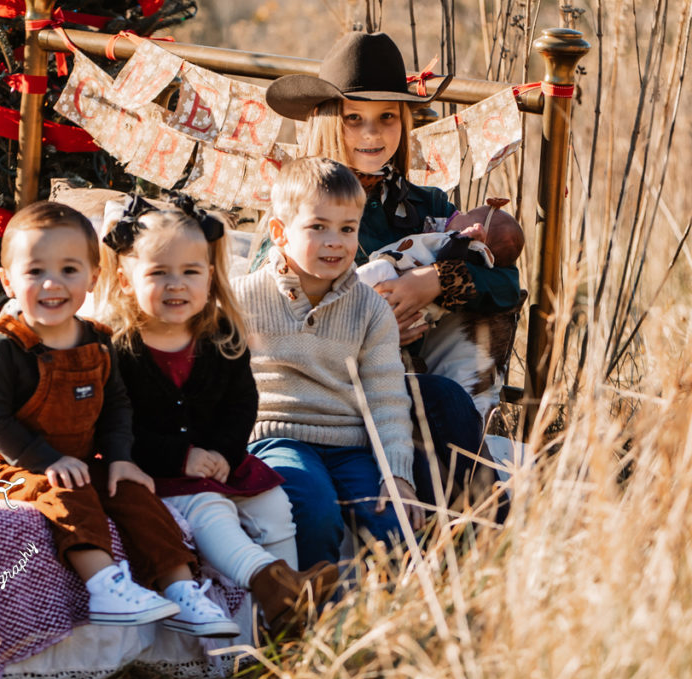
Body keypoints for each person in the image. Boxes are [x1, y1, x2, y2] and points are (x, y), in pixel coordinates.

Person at [265, 32, 519, 521]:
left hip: (409, 377)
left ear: (404, 122)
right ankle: (486, 531)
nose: (371, 134)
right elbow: (274, 313)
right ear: (325, 122)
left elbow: (507, 284)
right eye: (353, 119)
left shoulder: (428, 205)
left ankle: (461, 534)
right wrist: (370, 328)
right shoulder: (297, 207)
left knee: (436, 401)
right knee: (439, 402)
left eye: (387, 117)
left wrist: (435, 281)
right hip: (333, 384)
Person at [0, 201, 239, 637]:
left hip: (79, 457)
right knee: (69, 493)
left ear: (92, 277)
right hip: (6, 465)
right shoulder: (3, 348)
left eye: (69, 270)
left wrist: (120, 458)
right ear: (8, 280)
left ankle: (181, 589)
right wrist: (45, 460)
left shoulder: (97, 342)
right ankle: (104, 585)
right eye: (35, 272)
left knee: (134, 493)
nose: (52, 284)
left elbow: (116, 407)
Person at [99, 193, 340, 636]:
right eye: (158, 273)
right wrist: (180, 458)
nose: (177, 285)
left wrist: (225, 453)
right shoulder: (119, 348)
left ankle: (289, 610)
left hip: (221, 460)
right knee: (211, 511)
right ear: (126, 279)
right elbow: (116, 425)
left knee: (274, 505)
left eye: (191, 272)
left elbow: (241, 403)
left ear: (210, 277)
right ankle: (263, 608)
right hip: (161, 473)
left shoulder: (220, 334)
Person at [235, 157, 423, 568]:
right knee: (314, 511)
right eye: (318, 227)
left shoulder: (369, 310)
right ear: (280, 233)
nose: (335, 241)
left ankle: (401, 622)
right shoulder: (242, 299)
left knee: (395, 523)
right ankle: (308, 615)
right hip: (277, 437)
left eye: (347, 228)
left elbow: (388, 397)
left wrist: (397, 474)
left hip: (349, 445)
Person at [357, 200, 526, 326]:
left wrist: (438, 278)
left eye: (465, 214)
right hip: (365, 329)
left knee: (378, 270)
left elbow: (508, 284)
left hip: (401, 315)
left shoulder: (430, 202)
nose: (458, 214)